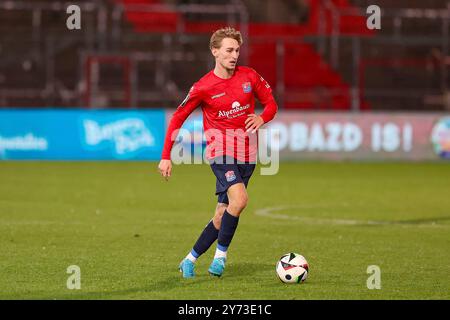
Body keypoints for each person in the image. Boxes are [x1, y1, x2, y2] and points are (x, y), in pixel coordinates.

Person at [158, 27, 278, 278]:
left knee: (221, 214)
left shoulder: (249, 77)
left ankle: (189, 259)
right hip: (220, 151)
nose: (234, 55)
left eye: (237, 50)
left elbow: (271, 104)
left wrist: (262, 118)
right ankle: (220, 258)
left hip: (248, 154)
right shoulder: (203, 87)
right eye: (228, 50)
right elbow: (177, 118)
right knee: (241, 200)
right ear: (215, 51)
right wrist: (166, 155)